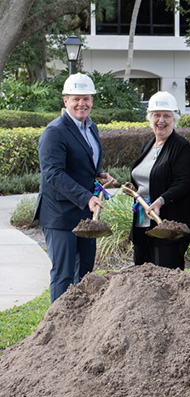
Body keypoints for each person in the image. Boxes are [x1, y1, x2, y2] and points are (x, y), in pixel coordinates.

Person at [34, 73, 116, 302]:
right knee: (63, 274)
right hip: (59, 214)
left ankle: (80, 327)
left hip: (84, 212)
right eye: (76, 99)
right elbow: (53, 173)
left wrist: (98, 174)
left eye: (87, 98)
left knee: (86, 273)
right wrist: (87, 197)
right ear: (65, 101)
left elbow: (81, 164)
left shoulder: (91, 128)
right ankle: (57, 328)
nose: (82, 104)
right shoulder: (54, 132)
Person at [127, 91, 190, 270]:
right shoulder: (149, 144)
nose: (161, 120)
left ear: (174, 119)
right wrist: (134, 187)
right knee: (142, 275)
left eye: (166, 116)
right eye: (156, 115)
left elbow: (185, 182)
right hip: (143, 223)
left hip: (168, 226)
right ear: (150, 118)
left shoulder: (181, 147)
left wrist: (161, 200)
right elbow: (147, 175)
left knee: (166, 277)